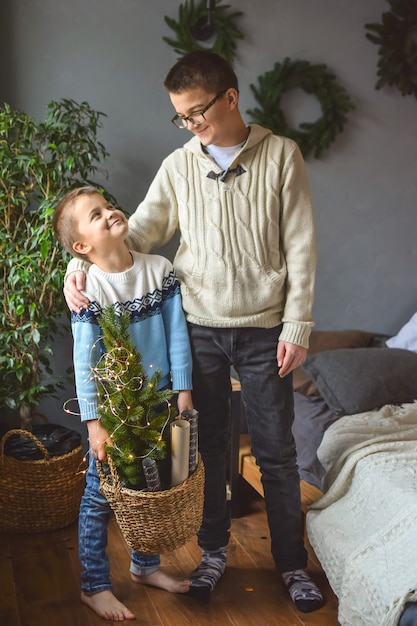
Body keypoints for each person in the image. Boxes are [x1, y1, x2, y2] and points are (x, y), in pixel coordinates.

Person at [64, 50, 324, 613]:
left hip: (265, 328)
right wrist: (76, 265)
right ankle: (212, 554)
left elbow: (302, 248)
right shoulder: (180, 164)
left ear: (230, 97)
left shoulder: (282, 156)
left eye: (197, 112)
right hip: (198, 328)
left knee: (277, 453)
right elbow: (132, 235)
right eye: (181, 116)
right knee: (202, 451)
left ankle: (291, 563)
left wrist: (298, 323)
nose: (191, 125)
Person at [53, 186, 194, 621]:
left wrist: (183, 389)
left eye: (109, 206)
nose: (110, 212)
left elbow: (176, 333)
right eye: (96, 215)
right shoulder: (88, 289)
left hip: (162, 402)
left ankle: (145, 567)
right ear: (82, 247)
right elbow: (85, 362)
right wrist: (94, 424)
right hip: (115, 414)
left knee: (151, 489)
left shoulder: (160, 270)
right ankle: (95, 585)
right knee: (100, 494)